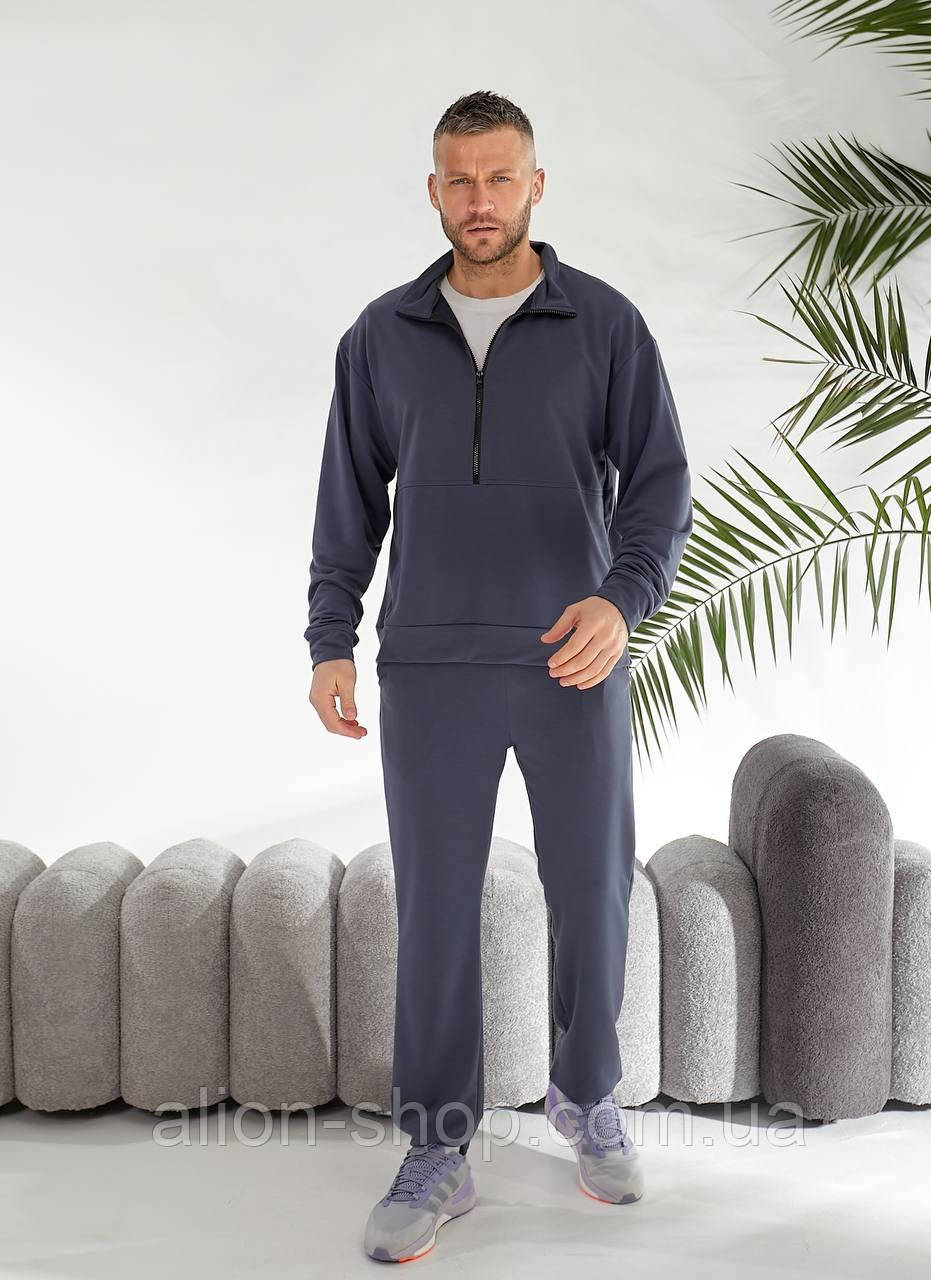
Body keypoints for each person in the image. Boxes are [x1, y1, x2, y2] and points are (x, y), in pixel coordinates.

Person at [305, 89, 693, 1263]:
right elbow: (345, 500)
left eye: (499, 176)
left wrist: (620, 600)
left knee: (591, 886)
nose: (480, 199)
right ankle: (437, 1144)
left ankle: (586, 1091)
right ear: (433, 190)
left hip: (571, 659)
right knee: (433, 907)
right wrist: (330, 638)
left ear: (535, 184)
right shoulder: (379, 336)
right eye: (459, 179)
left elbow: (660, 483)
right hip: (429, 665)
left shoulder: (605, 324)